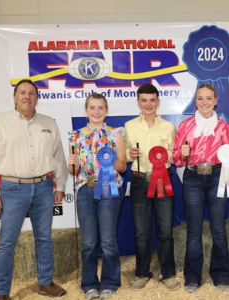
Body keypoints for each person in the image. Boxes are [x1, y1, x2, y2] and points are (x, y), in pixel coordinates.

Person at [0, 79, 68, 300]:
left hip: (44, 187)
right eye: (22, 93)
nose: (26, 97)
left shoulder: (49, 122)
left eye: (31, 93)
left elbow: (58, 156)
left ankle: (45, 282)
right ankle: (2, 292)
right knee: (7, 241)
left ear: (37, 98)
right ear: (14, 97)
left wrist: (60, 184)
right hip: (12, 188)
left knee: (44, 238)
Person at [173, 84, 229, 293]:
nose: (205, 102)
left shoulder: (224, 127)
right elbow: (176, 158)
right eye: (200, 98)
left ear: (216, 100)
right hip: (193, 177)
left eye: (209, 98)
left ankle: (222, 274)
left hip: (217, 175)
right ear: (195, 101)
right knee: (194, 229)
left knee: (218, 228)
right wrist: (182, 152)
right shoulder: (186, 126)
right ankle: (192, 276)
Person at [68, 93, 127, 300]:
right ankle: (90, 284)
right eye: (92, 107)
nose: (96, 111)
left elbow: (122, 165)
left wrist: (110, 162)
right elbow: (73, 170)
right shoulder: (75, 136)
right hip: (85, 190)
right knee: (89, 241)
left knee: (108, 240)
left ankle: (109, 282)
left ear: (106, 110)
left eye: (100, 107)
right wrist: (72, 164)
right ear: (86, 110)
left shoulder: (114, 135)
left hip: (109, 188)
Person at [123, 83, 180, 290]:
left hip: (163, 180)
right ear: (138, 102)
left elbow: (174, 156)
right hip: (139, 180)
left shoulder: (168, 127)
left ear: (158, 102)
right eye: (144, 100)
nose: (148, 104)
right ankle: (141, 272)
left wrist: (175, 153)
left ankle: (168, 273)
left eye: (152, 100)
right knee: (141, 232)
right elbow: (125, 152)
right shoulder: (129, 126)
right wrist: (131, 155)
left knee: (165, 231)